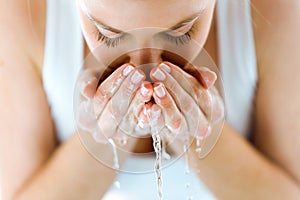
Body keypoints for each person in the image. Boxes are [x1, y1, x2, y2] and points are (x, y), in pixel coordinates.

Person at [1, 0, 300, 199]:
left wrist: (201, 136)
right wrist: (102, 142)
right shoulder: (22, 15)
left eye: (182, 32)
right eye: (108, 34)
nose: (147, 74)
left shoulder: (277, 12)